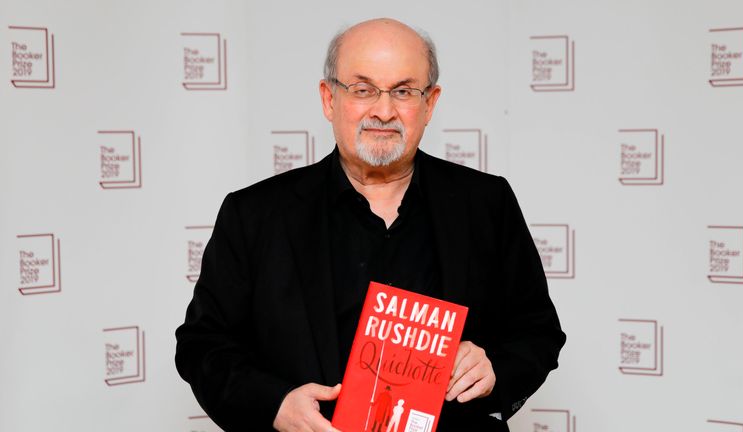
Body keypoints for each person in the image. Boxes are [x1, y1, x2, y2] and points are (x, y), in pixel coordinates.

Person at [175, 18, 565, 432]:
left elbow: (537, 331)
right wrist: (276, 404)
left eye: (403, 91)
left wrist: (493, 369)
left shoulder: (487, 203)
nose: (383, 110)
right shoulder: (253, 214)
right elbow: (203, 346)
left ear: (430, 103)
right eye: (362, 90)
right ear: (329, 99)